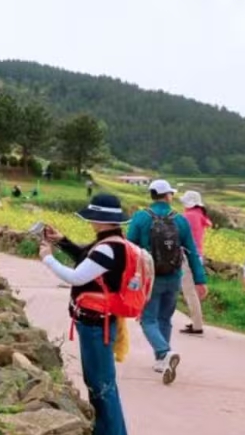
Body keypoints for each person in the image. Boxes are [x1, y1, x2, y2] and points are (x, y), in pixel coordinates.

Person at [39, 194, 133, 435]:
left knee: (101, 387)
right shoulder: (111, 242)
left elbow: (77, 276)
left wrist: (48, 259)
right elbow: (86, 259)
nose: (90, 221)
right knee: (102, 385)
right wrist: (62, 241)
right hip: (98, 323)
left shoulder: (108, 248)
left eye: (93, 217)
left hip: (96, 326)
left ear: (100, 219)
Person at [127, 179, 207, 384]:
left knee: (147, 319)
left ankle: (164, 352)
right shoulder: (180, 220)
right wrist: (200, 280)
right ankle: (162, 360)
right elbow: (191, 251)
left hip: (149, 278)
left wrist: (127, 279)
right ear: (168, 196)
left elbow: (129, 249)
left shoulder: (141, 217)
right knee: (164, 319)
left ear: (152, 194)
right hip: (173, 277)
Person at [179, 191, 212, 336]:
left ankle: (197, 325)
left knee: (189, 291)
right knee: (192, 291)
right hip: (198, 256)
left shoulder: (189, 216)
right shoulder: (200, 215)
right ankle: (195, 322)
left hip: (188, 256)